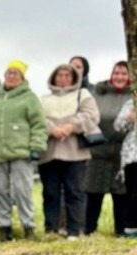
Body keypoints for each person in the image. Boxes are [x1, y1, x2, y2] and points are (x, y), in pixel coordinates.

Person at [0, 60, 48, 242]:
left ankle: (28, 227)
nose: (11, 76)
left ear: (22, 77)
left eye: (15, 73)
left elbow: (39, 124)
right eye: (8, 73)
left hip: (21, 153)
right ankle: (4, 228)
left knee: (23, 191)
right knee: (0, 192)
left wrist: (37, 147)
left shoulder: (30, 98)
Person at [38, 64, 100, 240]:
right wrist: (52, 129)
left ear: (73, 78)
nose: (63, 79)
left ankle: (74, 229)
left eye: (67, 75)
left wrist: (71, 126)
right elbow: (37, 118)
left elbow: (91, 115)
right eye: (60, 75)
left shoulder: (83, 95)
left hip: (75, 153)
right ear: (53, 77)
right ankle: (51, 229)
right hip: (49, 153)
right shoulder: (43, 99)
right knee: (50, 192)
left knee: (75, 191)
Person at [84, 61, 131, 236]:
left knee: (121, 195)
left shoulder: (132, 95)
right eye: (117, 73)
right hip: (99, 150)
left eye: (124, 74)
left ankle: (121, 231)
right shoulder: (97, 93)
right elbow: (89, 116)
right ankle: (89, 230)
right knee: (94, 193)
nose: (120, 77)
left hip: (123, 153)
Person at [114, 98, 137, 238]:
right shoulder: (132, 103)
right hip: (133, 156)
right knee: (134, 195)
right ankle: (131, 229)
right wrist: (130, 117)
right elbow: (118, 126)